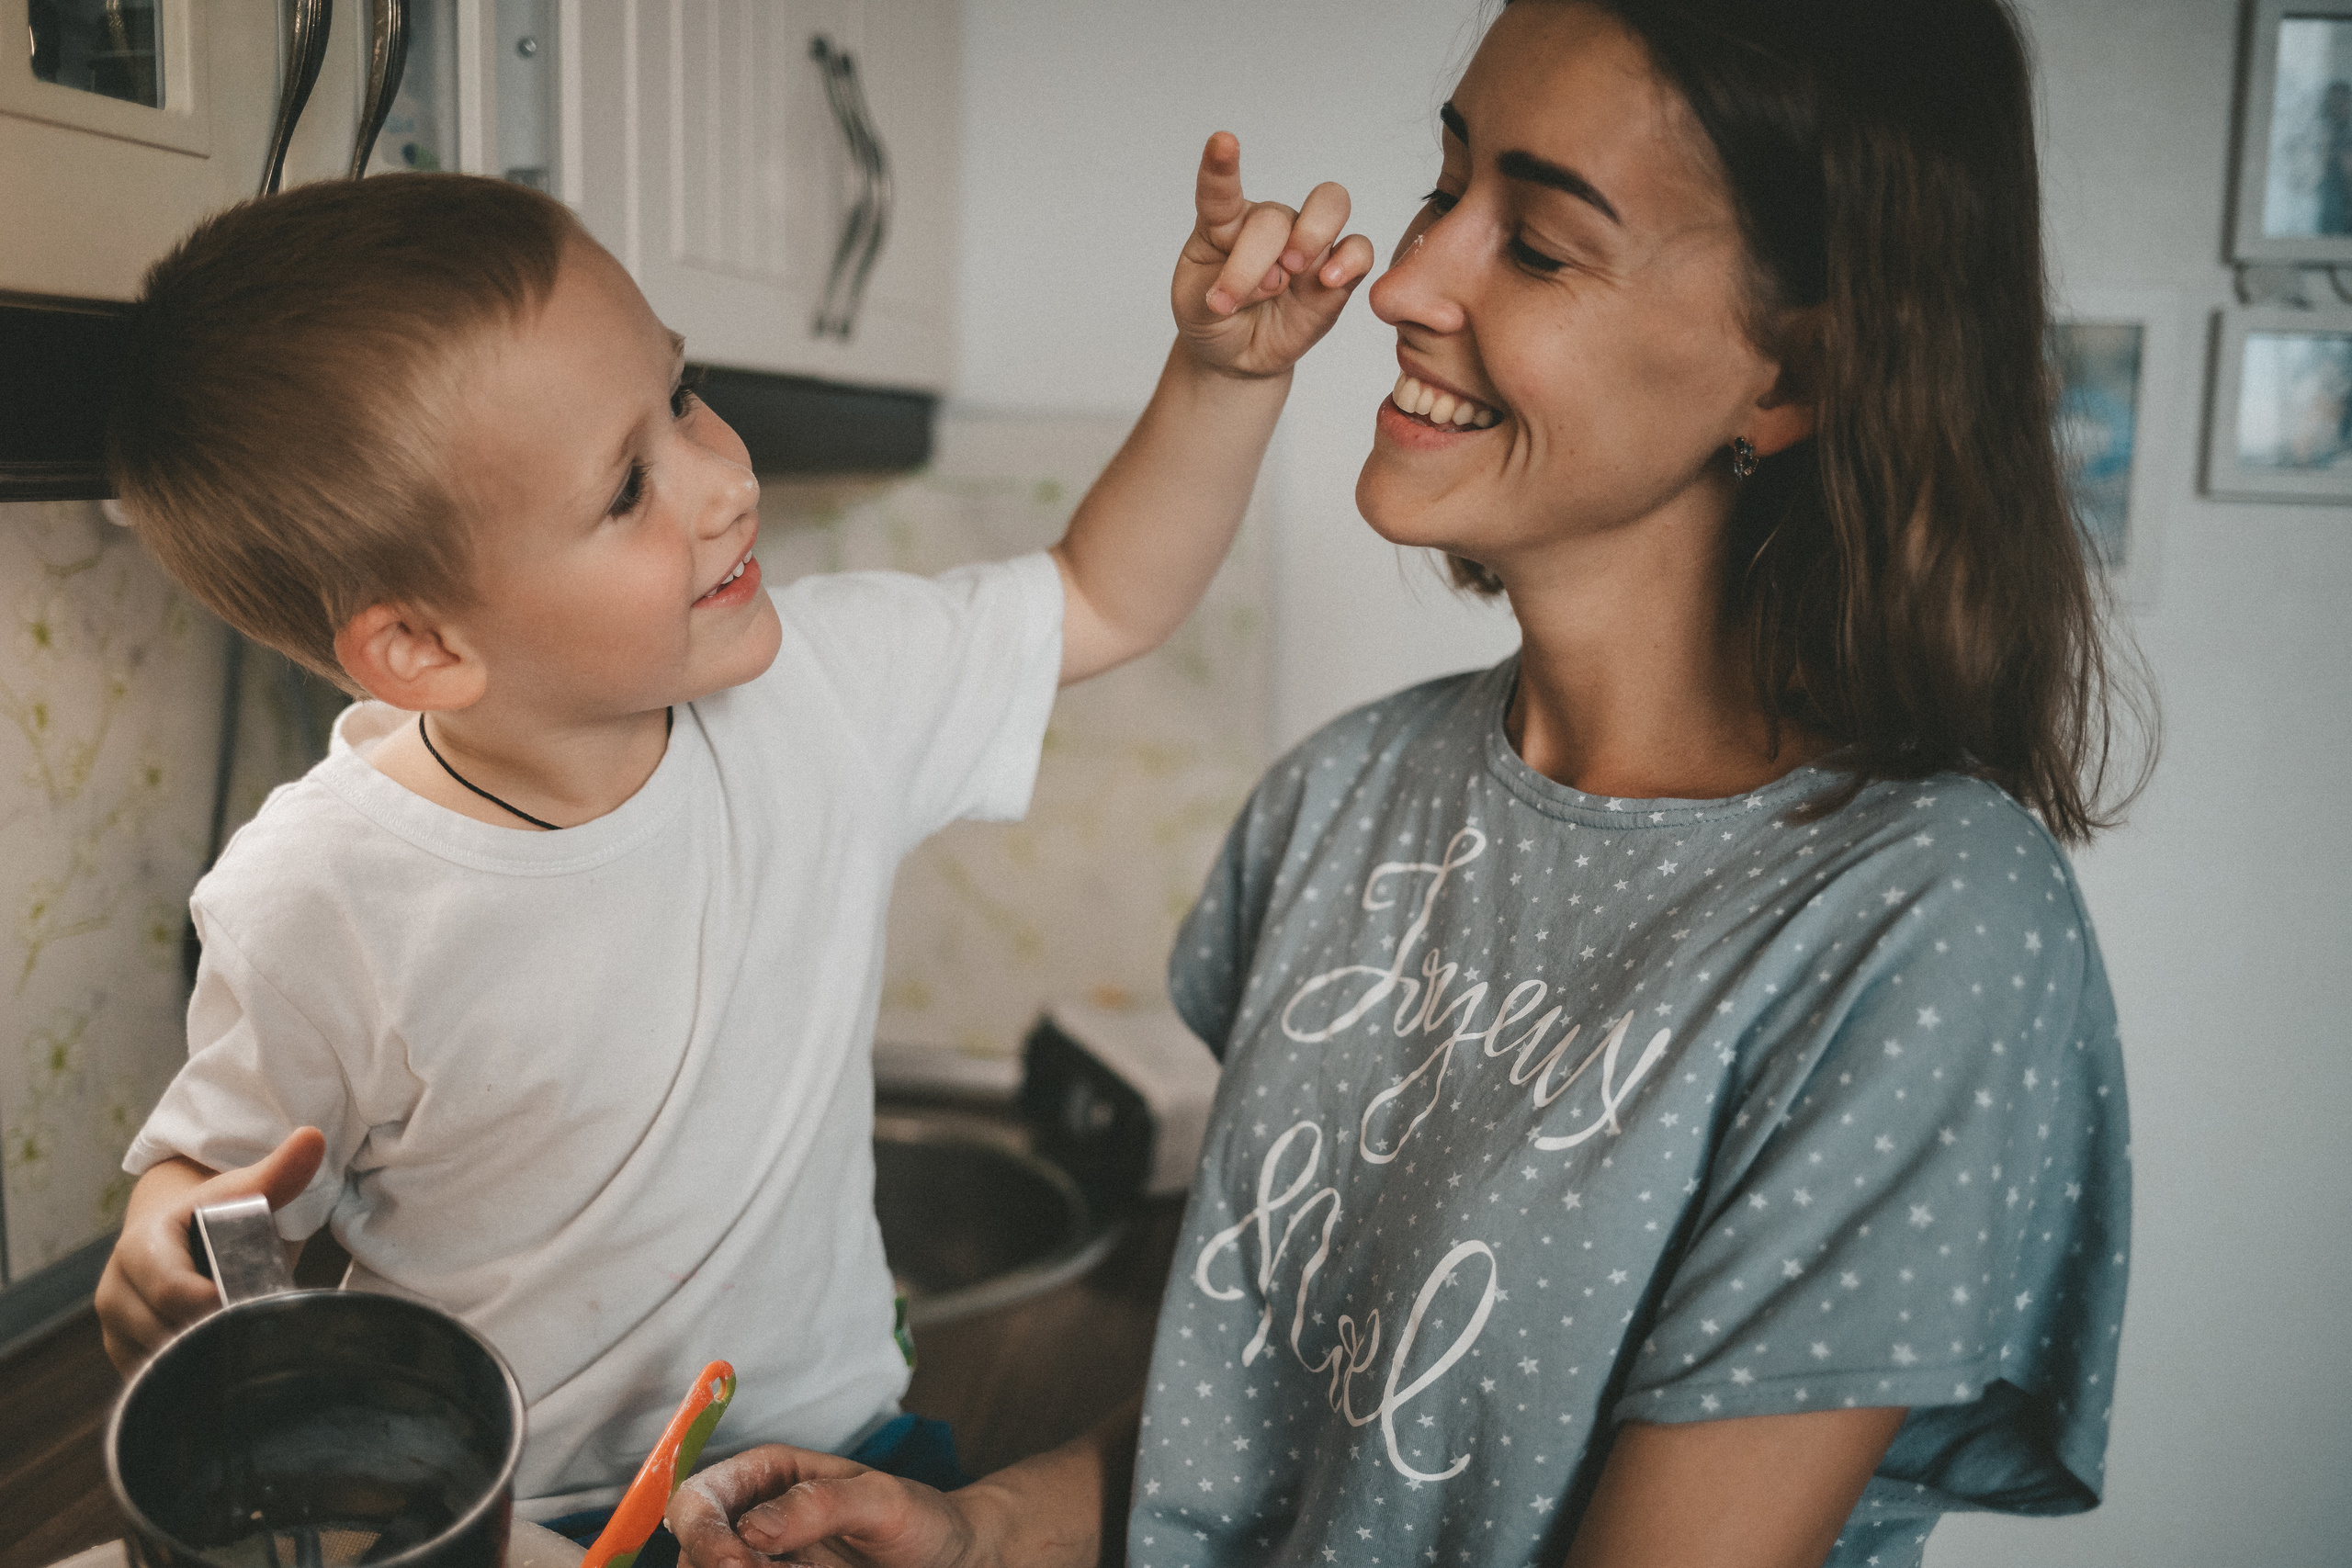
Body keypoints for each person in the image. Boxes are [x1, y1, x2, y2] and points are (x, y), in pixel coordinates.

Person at [665, 3, 2146, 1566]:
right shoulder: (1345, 798)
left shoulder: (1926, 927)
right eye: (1446, 188)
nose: (1407, 280)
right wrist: (978, 1530)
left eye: (1542, 248)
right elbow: (1266, 1427)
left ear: (1791, 374)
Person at [93, 139, 1376, 1530]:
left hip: (842, 1464)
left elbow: (1104, 595)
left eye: (683, 394)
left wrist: (1226, 376)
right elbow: (223, 1186)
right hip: (523, 1523)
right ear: (424, 647)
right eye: (627, 489)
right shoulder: (317, 896)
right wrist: (168, 1235)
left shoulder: (824, 690)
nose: (724, 480)